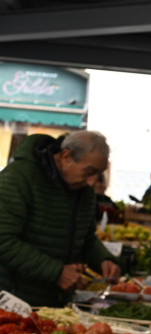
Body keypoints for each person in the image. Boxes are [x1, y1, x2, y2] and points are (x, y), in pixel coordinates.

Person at [0, 131, 121, 306]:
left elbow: (85, 239)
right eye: (90, 171)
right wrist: (56, 272)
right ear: (66, 157)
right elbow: (3, 240)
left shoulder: (83, 189)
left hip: (54, 302)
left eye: (99, 173)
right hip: (12, 300)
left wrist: (104, 260)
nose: (93, 182)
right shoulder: (18, 179)